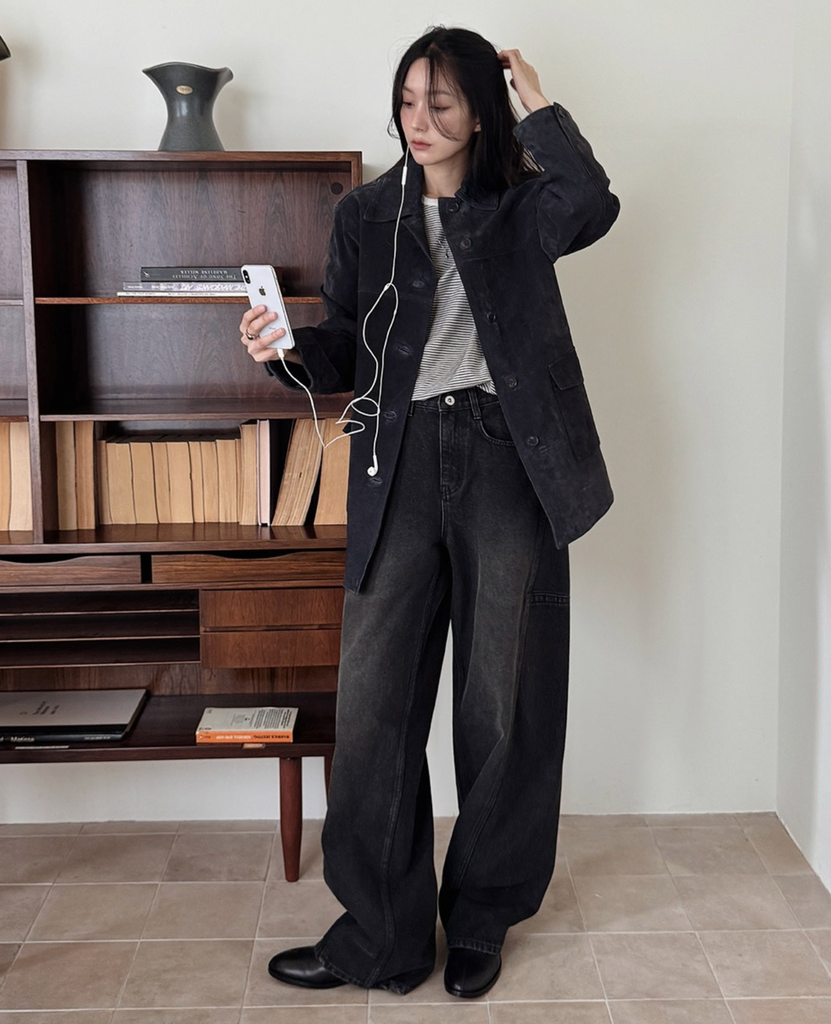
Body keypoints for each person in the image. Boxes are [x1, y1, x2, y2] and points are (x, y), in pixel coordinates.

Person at [240, 25, 619, 999]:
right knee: (374, 707)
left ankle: (482, 919)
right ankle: (381, 937)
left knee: (504, 705)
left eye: (442, 102)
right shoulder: (366, 213)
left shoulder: (523, 205)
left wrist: (537, 100)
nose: (420, 119)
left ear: (480, 112)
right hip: (396, 461)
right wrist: (283, 350)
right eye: (408, 100)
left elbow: (593, 201)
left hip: (507, 459)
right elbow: (343, 347)